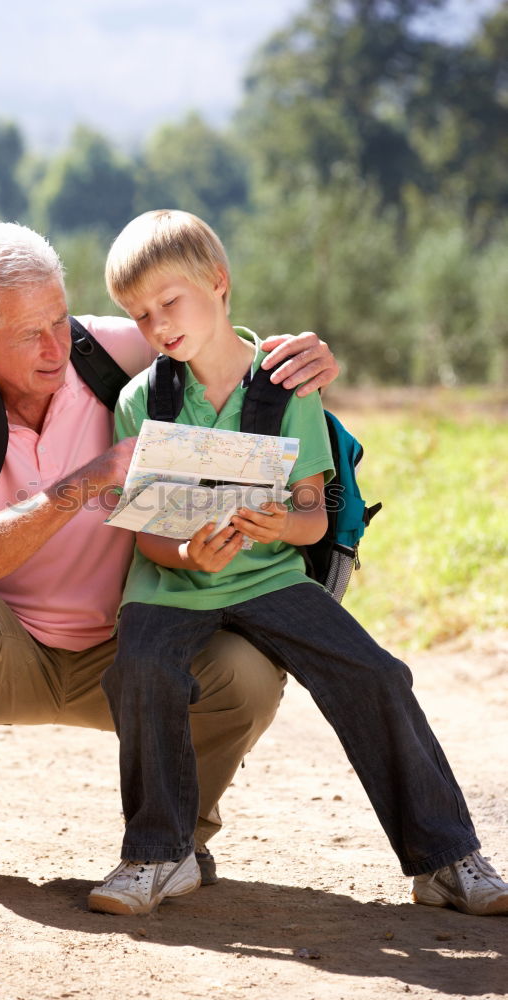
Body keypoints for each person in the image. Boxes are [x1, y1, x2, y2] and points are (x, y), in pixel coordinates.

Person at [0, 221, 340, 888]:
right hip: (6, 655)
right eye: (28, 335)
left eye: (59, 318)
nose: (55, 348)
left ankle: (178, 840)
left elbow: (216, 328)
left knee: (246, 673)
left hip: (136, 649)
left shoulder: (106, 350)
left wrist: (300, 355)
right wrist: (86, 481)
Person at [88, 208, 508, 918]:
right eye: (140, 314)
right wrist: (189, 549)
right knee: (142, 667)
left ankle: (446, 859)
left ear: (218, 285)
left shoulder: (288, 390)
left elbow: (314, 511)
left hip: (273, 576)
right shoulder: (141, 400)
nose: (158, 325)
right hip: (168, 585)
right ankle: (159, 855)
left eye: (170, 302)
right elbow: (146, 534)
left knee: (376, 671)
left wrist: (282, 523)